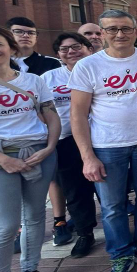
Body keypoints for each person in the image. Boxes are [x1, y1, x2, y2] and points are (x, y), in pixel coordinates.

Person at [69, 10, 137, 272]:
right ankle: (120, 254)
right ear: (102, 33)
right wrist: (87, 157)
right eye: (112, 29)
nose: (119, 34)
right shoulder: (88, 66)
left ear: (136, 32)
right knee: (112, 205)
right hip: (107, 145)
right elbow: (77, 115)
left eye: (125, 28)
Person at [0, 27, 60, 272]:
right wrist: (3, 160)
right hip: (3, 157)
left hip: (39, 152)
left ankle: (30, 271)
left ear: (11, 48)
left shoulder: (34, 81)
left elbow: (51, 114)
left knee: (35, 216)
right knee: (6, 225)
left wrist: (49, 147)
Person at [43, 33, 98, 257]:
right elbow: (40, 110)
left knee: (111, 189)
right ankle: (85, 233)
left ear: (89, 48)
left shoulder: (101, 70)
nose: (71, 52)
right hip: (66, 140)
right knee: (75, 190)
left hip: (102, 137)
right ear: (58, 54)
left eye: (76, 46)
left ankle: (120, 232)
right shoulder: (48, 78)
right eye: (64, 49)